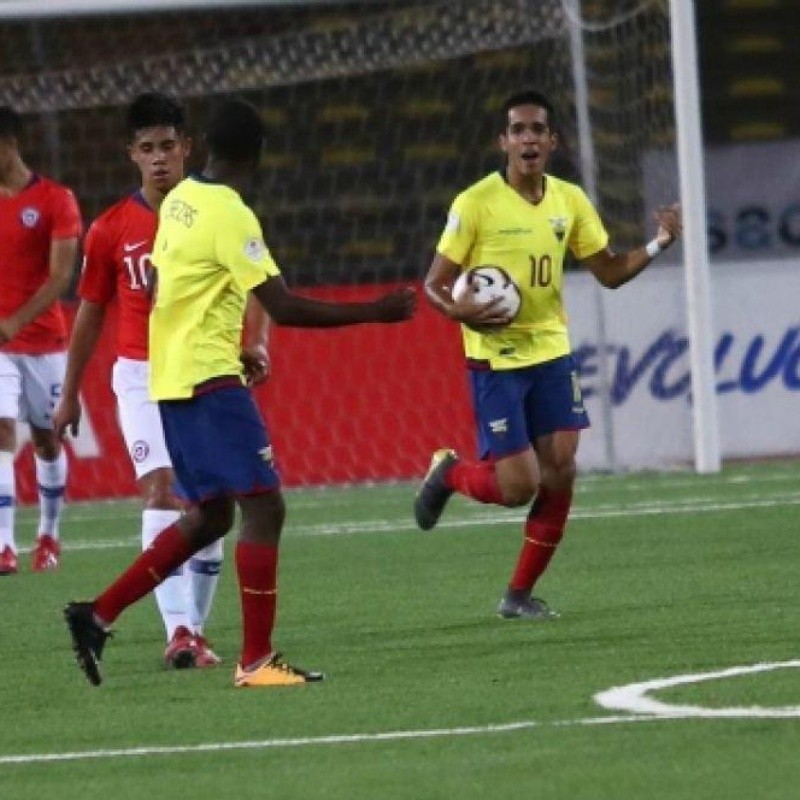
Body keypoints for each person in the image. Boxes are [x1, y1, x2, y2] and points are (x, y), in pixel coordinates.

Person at [64, 96, 416, 688]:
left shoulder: (180, 205)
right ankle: (256, 660)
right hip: (208, 380)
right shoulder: (230, 213)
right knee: (265, 506)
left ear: (200, 145)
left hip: (171, 380)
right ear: (257, 155)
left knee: (209, 516)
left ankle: (96, 614)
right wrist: (375, 312)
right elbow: (283, 305)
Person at [413, 89, 682, 619]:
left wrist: (657, 244)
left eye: (537, 130)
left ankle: (517, 596)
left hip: (551, 352)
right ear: (504, 142)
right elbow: (434, 285)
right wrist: (461, 313)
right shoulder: (475, 204)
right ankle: (448, 473)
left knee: (560, 471)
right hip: (496, 360)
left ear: (552, 141)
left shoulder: (569, 201)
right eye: (519, 130)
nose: (528, 139)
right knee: (518, 487)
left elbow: (606, 271)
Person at [53, 93, 262, 668]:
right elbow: (91, 311)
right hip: (143, 376)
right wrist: (69, 392)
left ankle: (194, 627)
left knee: (213, 504)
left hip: (203, 371)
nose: (159, 159)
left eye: (168, 145)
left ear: (188, 147)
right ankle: (180, 632)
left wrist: (254, 340)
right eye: (147, 149)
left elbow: (258, 278)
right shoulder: (111, 229)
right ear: (131, 156)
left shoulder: (212, 209)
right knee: (163, 490)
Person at [0, 106, 82, 576]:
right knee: (2, 432)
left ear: (11, 143)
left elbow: (60, 278)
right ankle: (5, 544)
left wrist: (14, 321)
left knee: (48, 441)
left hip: (45, 343)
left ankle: (48, 534)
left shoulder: (55, 199)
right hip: (0, 348)